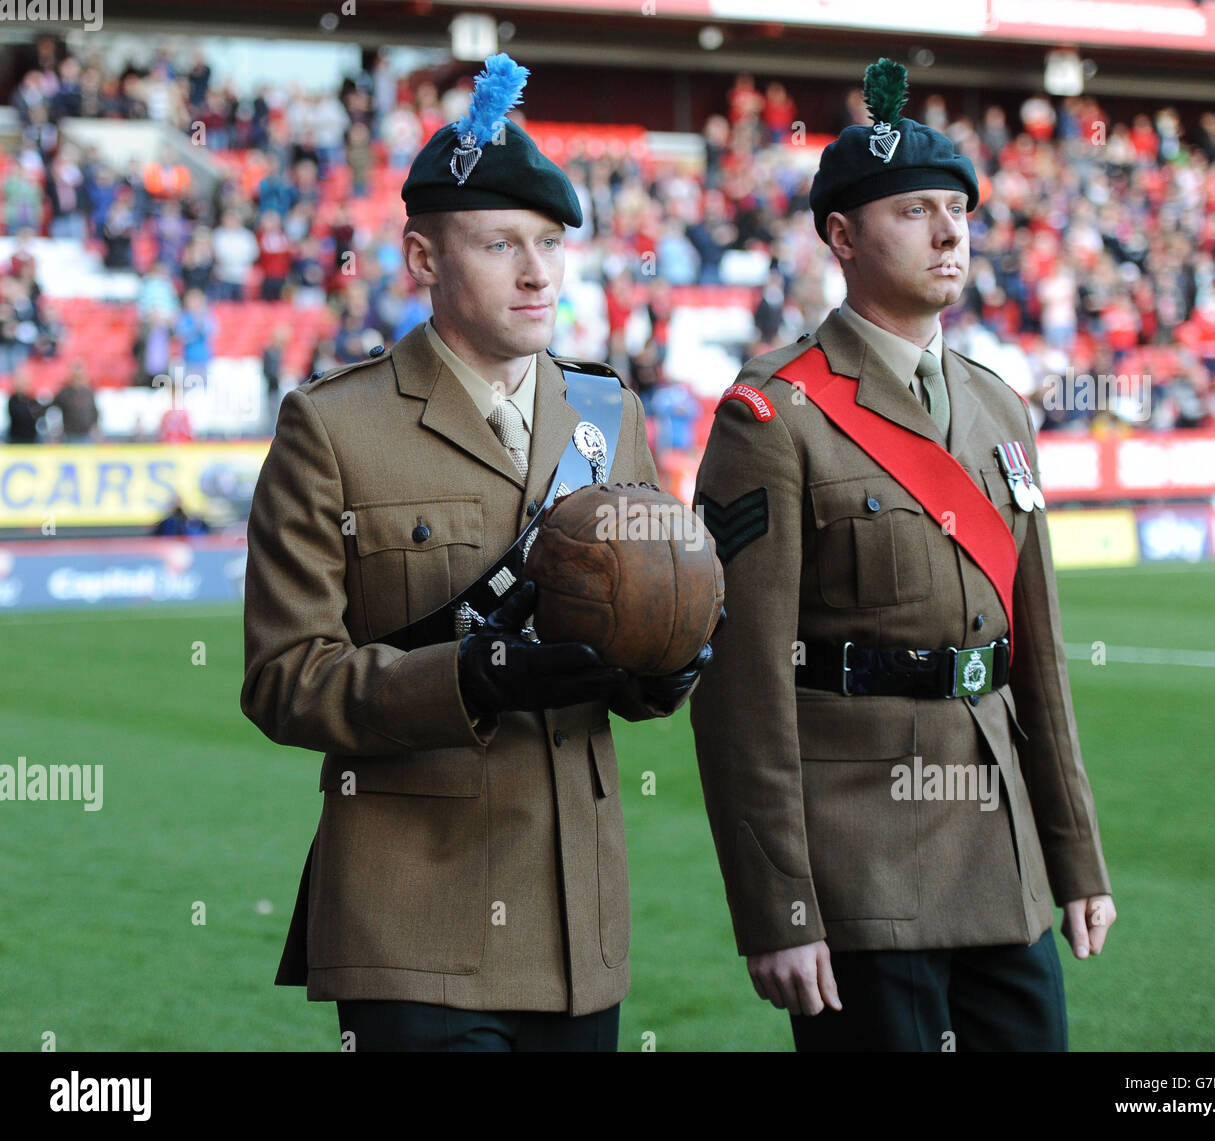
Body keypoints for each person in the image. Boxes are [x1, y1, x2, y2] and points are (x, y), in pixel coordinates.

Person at [240, 54, 706, 1053]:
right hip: (410, 911)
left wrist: (672, 659)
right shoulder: (331, 425)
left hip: (578, 915)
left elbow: (634, 664)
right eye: (501, 244)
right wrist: (475, 675)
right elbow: (285, 680)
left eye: (549, 242)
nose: (538, 272)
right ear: (421, 260)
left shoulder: (606, 412)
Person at [690, 58, 1115, 1053]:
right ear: (840, 236)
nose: (949, 232)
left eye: (959, 209)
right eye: (915, 210)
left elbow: (1037, 660)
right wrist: (778, 907)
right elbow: (741, 683)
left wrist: (1075, 857)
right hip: (860, 862)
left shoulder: (999, 404)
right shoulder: (771, 415)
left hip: (999, 858)